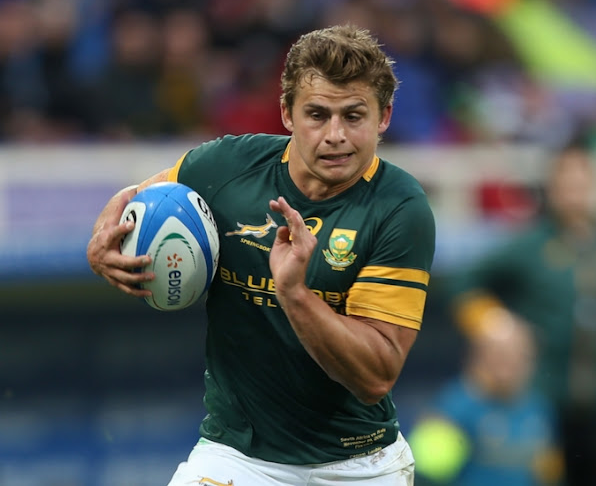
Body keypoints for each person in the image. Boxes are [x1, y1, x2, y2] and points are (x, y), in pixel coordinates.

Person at [86, 25, 436, 486]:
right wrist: (101, 242)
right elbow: (138, 198)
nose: (335, 135)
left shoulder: (400, 208)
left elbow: (374, 376)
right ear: (287, 114)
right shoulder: (224, 168)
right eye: (317, 114)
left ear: (384, 117)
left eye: (354, 116)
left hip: (358, 467)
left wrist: (294, 292)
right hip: (238, 456)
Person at [445, 141, 596, 486]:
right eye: (566, 180)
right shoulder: (531, 244)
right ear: (552, 186)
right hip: (541, 399)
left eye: (583, 180)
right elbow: (463, 281)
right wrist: (494, 324)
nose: (575, 191)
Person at [408, 312, 564, 486]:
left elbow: (548, 473)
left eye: (519, 355)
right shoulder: (453, 408)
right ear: (477, 356)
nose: (509, 365)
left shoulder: (539, 409)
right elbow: (427, 475)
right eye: (499, 354)